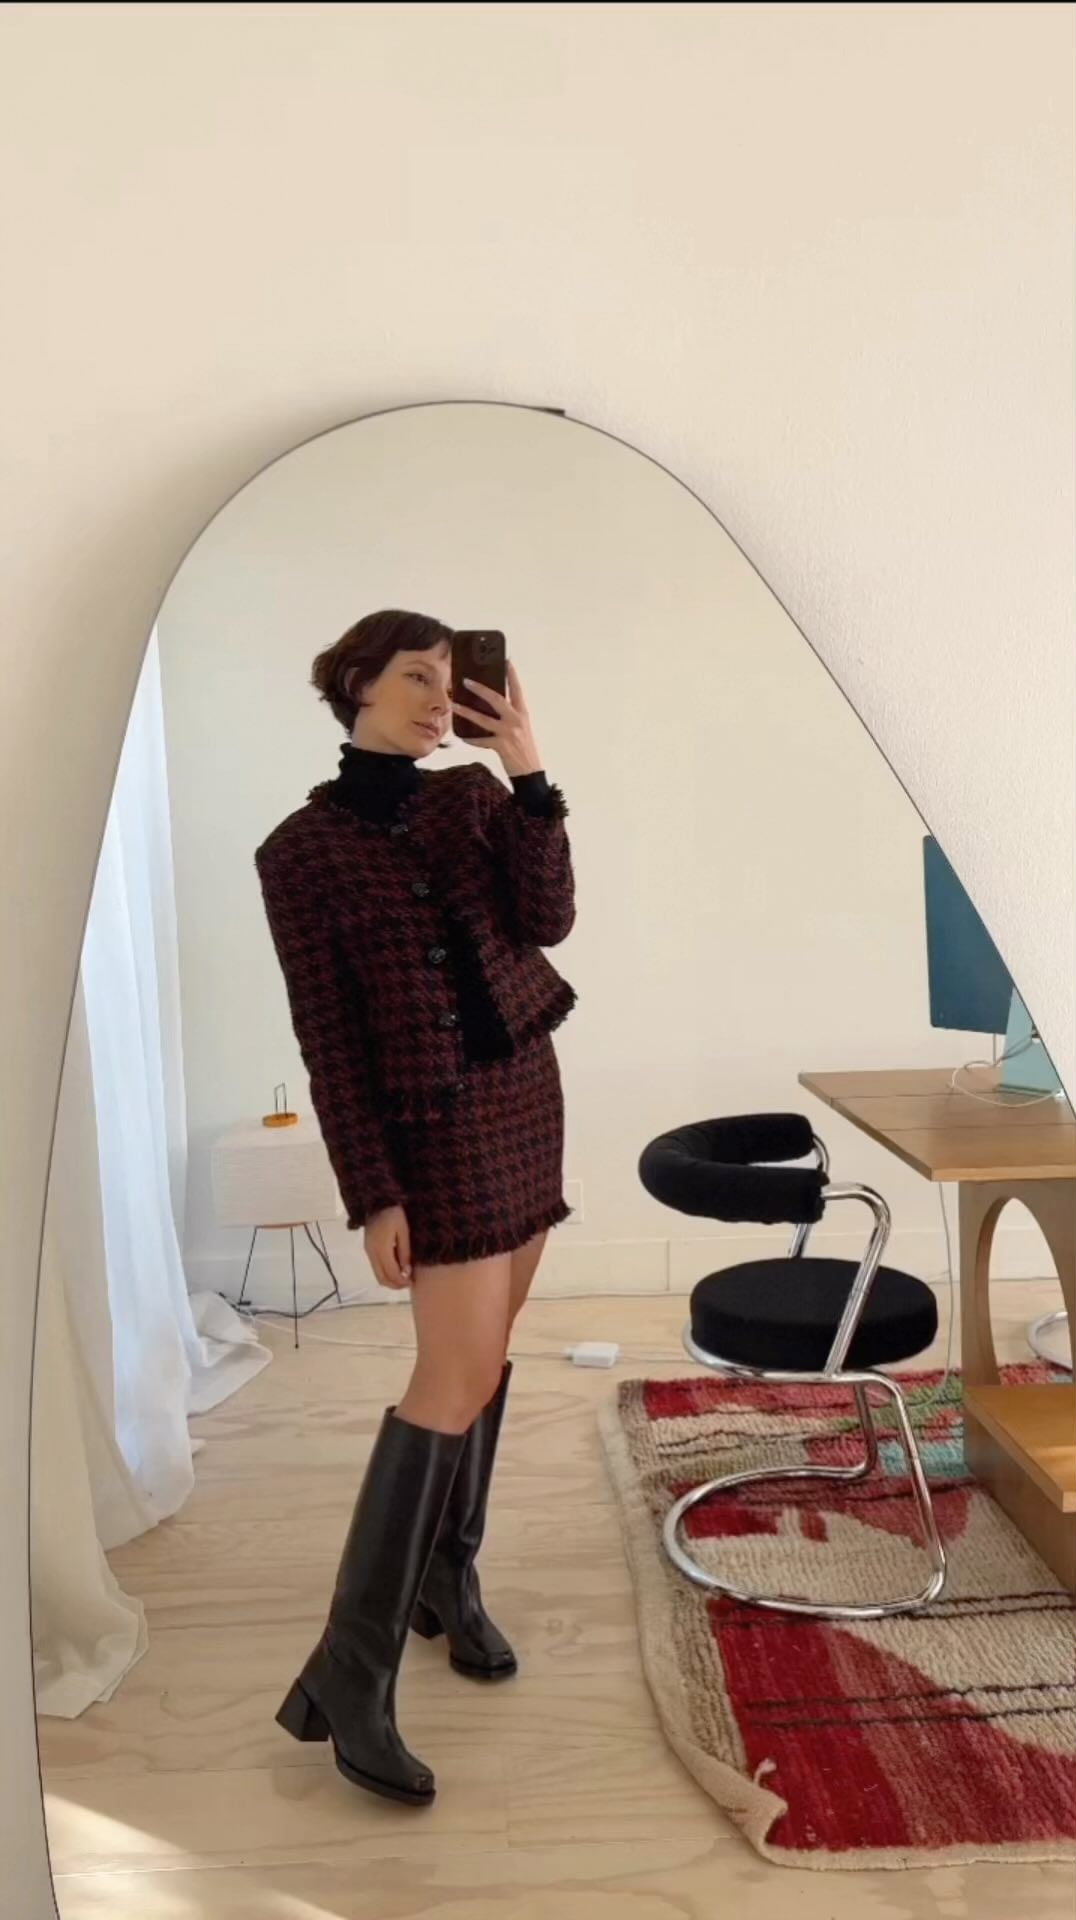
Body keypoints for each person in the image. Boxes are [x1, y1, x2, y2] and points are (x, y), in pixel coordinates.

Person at [253, 609, 577, 1806]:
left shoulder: (473, 800)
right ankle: (350, 1676)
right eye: (418, 677)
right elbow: (328, 1038)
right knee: (450, 1378)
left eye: (453, 681)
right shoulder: (298, 854)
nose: (443, 699)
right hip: (432, 1137)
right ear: (356, 682)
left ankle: (448, 1579)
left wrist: (528, 771)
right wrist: (372, 1193)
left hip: (523, 1097)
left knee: (488, 1362)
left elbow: (547, 920)